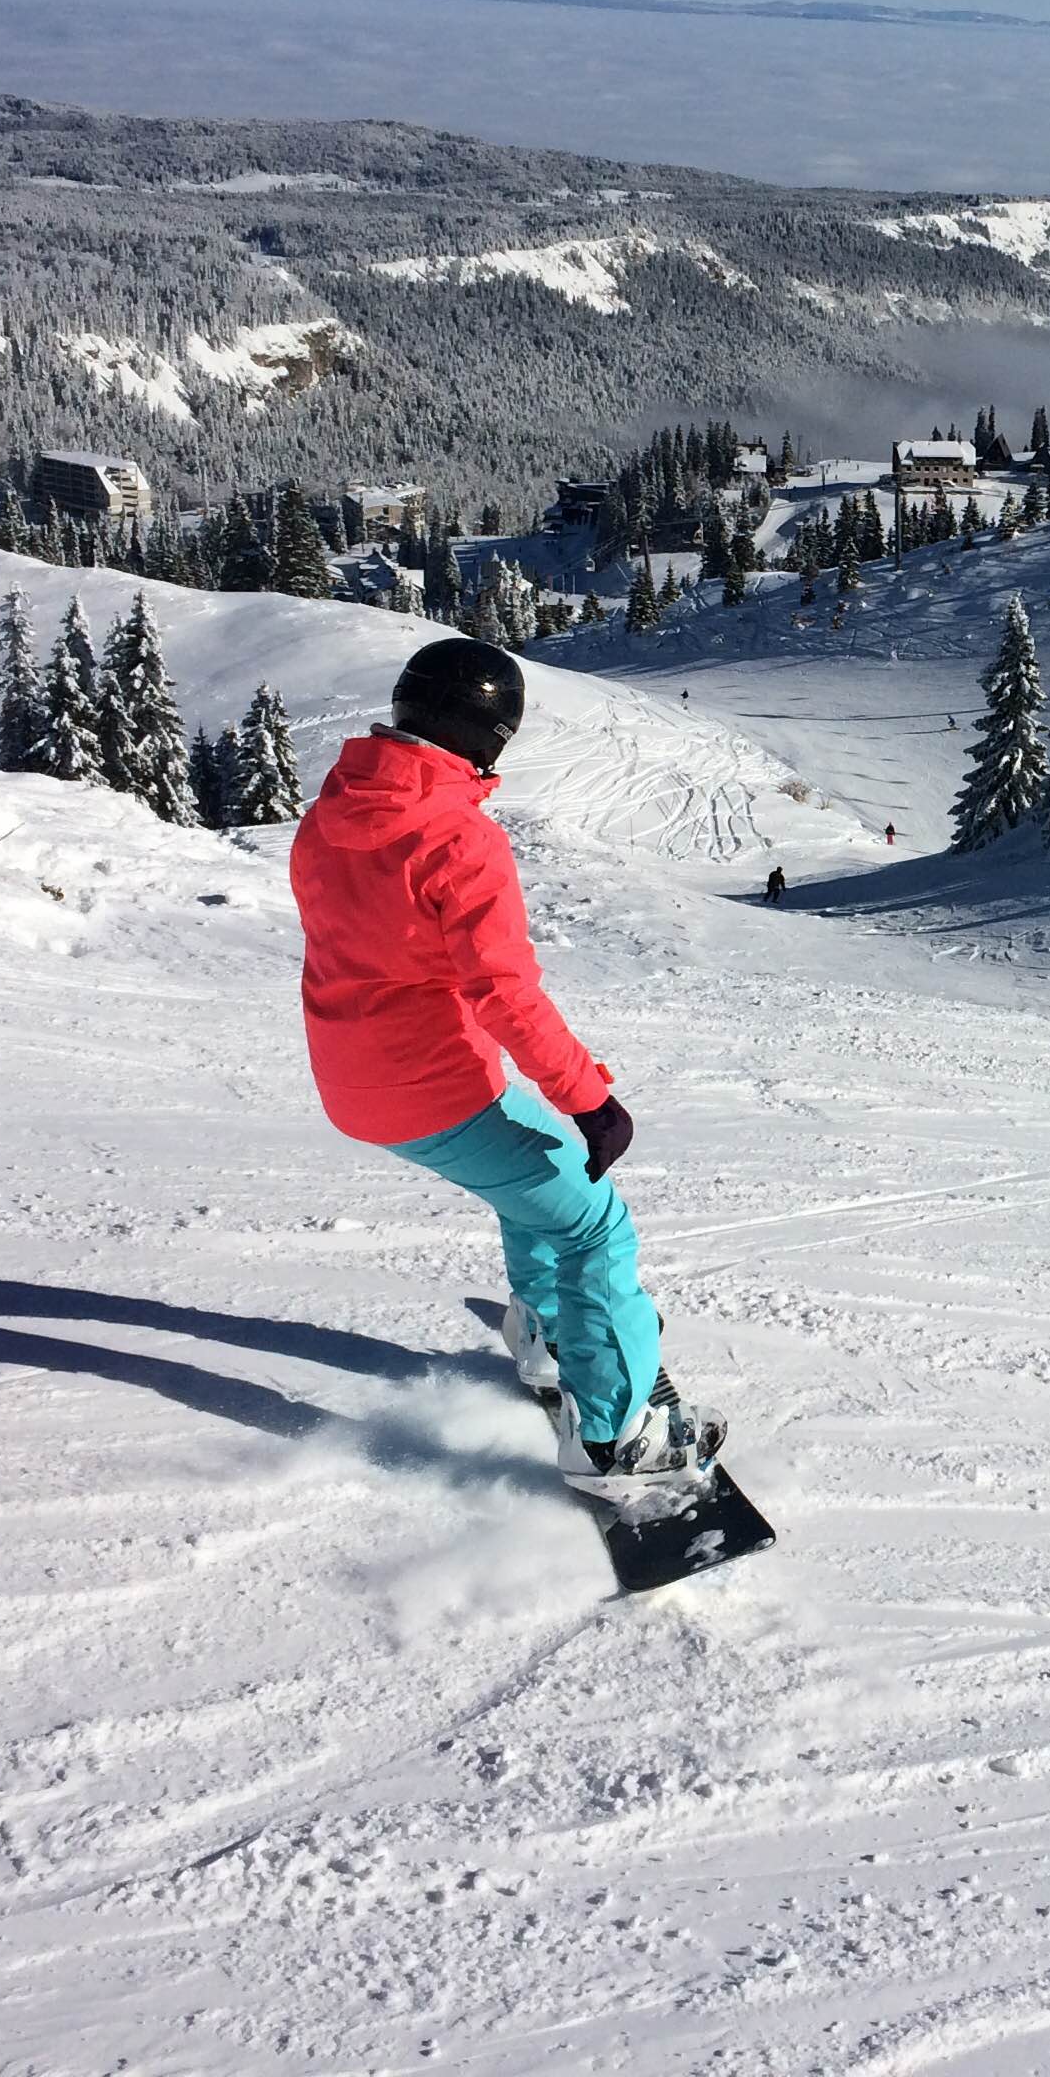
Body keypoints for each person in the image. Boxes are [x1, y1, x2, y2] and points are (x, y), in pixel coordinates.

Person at [288, 639, 721, 1497]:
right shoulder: (455, 837)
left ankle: (545, 1335)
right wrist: (591, 1099)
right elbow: (505, 994)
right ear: (489, 736)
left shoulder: (335, 809)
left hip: (354, 1080)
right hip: (429, 1090)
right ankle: (615, 1443)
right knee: (596, 1223)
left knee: (536, 1174)